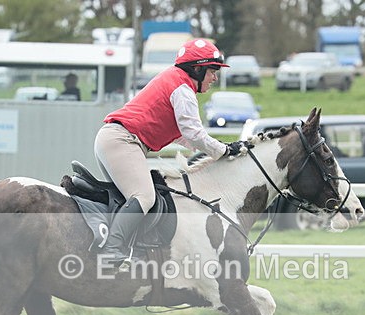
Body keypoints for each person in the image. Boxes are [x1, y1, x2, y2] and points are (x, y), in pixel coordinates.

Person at [94, 38, 250, 270]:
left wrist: (215, 147)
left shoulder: (176, 82)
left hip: (115, 139)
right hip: (122, 141)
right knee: (145, 197)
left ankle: (131, 249)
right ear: (197, 69)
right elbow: (194, 134)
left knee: (138, 199)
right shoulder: (183, 88)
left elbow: (183, 135)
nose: (215, 77)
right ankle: (111, 251)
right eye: (213, 70)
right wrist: (224, 150)